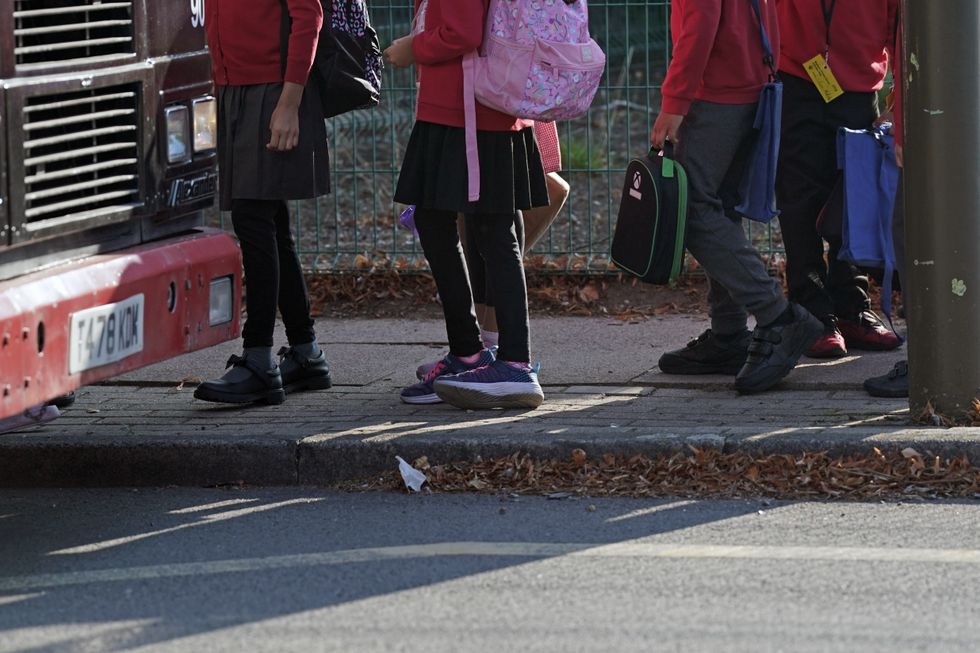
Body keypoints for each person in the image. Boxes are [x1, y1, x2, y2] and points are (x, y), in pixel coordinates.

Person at [652, 0, 823, 394]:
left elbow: (700, 23)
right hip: (749, 87)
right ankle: (729, 334)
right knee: (720, 209)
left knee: (692, 210)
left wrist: (674, 102)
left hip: (717, 95)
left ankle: (778, 317)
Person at [384, 0, 549, 409]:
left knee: (490, 230)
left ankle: (510, 362)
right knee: (455, 222)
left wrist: (412, 47)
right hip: (474, 107)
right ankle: (473, 353)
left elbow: (462, 31)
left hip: (468, 111)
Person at [195, 0, 332, 405]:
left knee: (253, 218)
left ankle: (259, 359)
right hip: (233, 89)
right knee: (270, 222)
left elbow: (309, 16)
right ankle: (306, 355)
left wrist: (289, 104)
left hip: (273, 93)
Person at [775, 0, 902, 358]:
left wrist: (898, 103)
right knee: (799, 201)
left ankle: (851, 307)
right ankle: (811, 313)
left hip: (860, 90)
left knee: (855, 202)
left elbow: (899, 30)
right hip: (798, 80)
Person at [414, 121, 570, 380]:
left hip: (489, 99)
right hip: (483, 100)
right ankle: (486, 344)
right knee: (485, 205)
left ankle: (492, 347)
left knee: (496, 203)